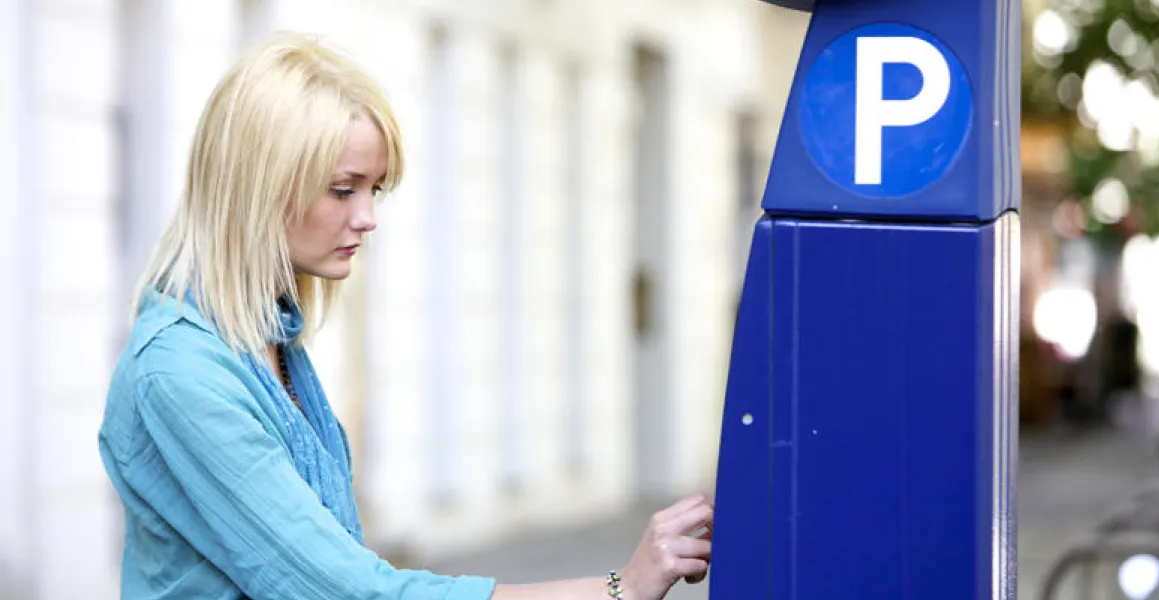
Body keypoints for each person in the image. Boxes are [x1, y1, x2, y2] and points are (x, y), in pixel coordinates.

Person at [98, 31, 713, 600]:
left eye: (376, 190)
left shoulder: (265, 338)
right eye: (343, 189)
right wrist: (617, 590)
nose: (368, 217)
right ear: (258, 186)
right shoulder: (182, 373)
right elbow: (345, 591)